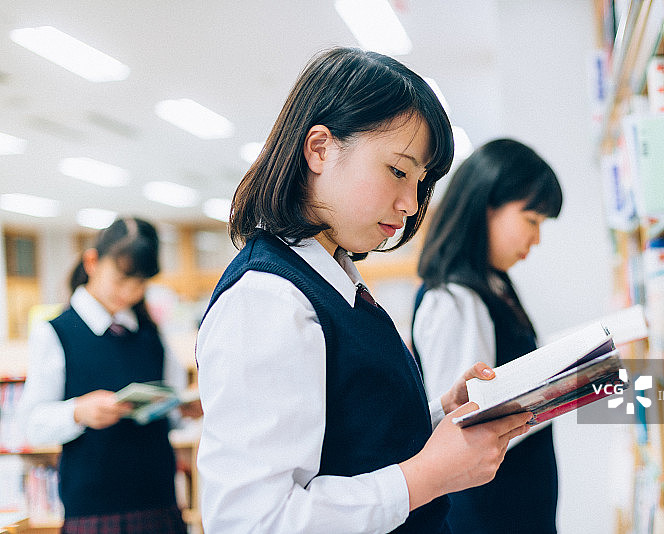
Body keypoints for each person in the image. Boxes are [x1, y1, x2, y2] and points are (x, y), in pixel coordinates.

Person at [195, 47, 533, 534]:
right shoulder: (266, 300)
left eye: (421, 183)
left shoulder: (333, 278)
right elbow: (253, 521)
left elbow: (350, 441)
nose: (410, 203)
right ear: (320, 149)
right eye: (398, 171)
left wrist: (437, 413)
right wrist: (426, 476)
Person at [413, 138, 564, 534]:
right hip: (487, 517)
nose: (536, 239)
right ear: (487, 206)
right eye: (531, 221)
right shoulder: (454, 300)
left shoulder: (495, 283)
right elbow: (465, 430)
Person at [18, 217, 197, 534]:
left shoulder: (150, 332)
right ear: (92, 262)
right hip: (95, 509)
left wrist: (186, 409)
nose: (129, 292)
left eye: (140, 284)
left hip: (159, 503)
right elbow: (31, 424)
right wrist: (78, 412)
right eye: (121, 280)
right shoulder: (57, 332)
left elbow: (171, 408)